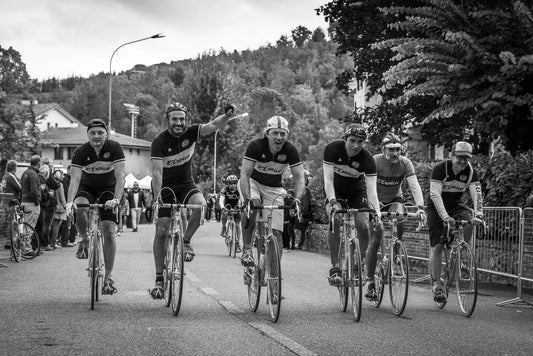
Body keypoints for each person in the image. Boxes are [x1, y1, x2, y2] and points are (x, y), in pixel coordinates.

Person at [149, 101, 235, 299]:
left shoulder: (192, 132)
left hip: (186, 184)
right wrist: (158, 197)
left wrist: (227, 116)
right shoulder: (159, 141)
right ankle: (159, 279)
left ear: (185, 120)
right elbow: (156, 173)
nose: (178, 123)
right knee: (162, 229)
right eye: (174, 119)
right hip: (166, 188)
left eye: (181, 119)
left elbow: (213, 125)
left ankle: (186, 241)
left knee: (201, 206)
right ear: (168, 120)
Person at [239, 115, 305, 304]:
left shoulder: (290, 150)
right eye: (274, 133)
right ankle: (246, 248)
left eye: (282, 134)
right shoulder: (256, 146)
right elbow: (244, 175)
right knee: (251, 207)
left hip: (275, 189)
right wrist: (247, 199)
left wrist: (297, 199)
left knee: (275, 236)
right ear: (267, 134)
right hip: (253, 183)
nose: (279, 137)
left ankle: (274, 284)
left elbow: (300, 178)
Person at [66, 119, 125, 295]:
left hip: (108, 189)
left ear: (106, 134)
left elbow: (120, 175)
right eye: (93, 133)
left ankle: (108, 278)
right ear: (88, 135)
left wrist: (116, 199)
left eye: (100, 132)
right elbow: (75, 180)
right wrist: (70, 202)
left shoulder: (114, 148)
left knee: (108, 231)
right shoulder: (81, 152)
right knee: (80, 207)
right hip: (87, 188)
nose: (97, 136)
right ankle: (84, 239)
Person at [365, 133, 426, 301]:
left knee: (401, 215)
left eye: (398, 149)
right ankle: (370, 282)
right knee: (375, 239)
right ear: (384, 149)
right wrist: (373, 208)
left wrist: (420, 207)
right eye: (391, 150)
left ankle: (396, 249)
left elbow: (414, 185)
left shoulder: (405, 163)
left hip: (394, 198)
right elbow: (366, 185)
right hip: (374, 199)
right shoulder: (375, 161)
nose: (395, 153)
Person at [322, 123, 381, 287]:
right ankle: (335, 267)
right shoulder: (332, 149)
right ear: (345, 139)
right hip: (336, 190)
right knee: (335, 219)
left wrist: (377, 214)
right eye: (352, 141)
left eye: (360, 142)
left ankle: (358, 263)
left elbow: (372, 191)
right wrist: (332, 201)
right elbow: (328, 179)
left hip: (357, 191)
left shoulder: (368, 159)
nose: (356, 145)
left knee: (363, 224)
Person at [427, 141, 483, 304]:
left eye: (466, 158)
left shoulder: (472, 172)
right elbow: (435, 195)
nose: (463, 161)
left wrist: (479, 214)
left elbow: (477, 195)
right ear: (452, 156)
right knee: (437, 246)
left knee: (471, 218)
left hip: (455, 205)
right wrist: (445, 217)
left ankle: (463, 250)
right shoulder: (440, 169)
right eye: (459, 157)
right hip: (436, 207)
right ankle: (437, 285)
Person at [219, 174, 242, 253]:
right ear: (228, 184)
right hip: (227, 206)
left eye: (235, 183)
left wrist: (241, 206)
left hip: (236, 206)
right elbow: (221, 200)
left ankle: (238, 243)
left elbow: (241, 199)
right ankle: (224, 227)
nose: (233, 185)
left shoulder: (239, 189)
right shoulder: (224, 189)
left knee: (238, 225)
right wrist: (222, 207)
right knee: (224, 213)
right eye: (231, 183)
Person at [2, 160, 21, 249]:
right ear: (14, 167)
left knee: (8, 222)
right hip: (11, 202)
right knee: (12, 222)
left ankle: (8, 241)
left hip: (5, 201)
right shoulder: (11, 176)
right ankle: (9, 242)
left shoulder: (5, 176)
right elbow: (20, 187)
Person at [20, 155, 42, 230]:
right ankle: (27, 242)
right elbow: (34, 191)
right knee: (30, 228)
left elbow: (22, 188)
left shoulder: (25, 172)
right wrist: (37, 203)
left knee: (25, 227)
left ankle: (23, 241)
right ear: (39, 163)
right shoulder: (33, 174)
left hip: (24, 202)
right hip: (32, 204)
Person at [296, 170, 314, 249]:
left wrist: (303, 213)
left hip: (304, 213)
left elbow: (306, 203)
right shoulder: (302, 190)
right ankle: (299, 244)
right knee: (301, 230)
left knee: (302, 230)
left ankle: (300, 245)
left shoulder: (306, 190)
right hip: (301, 212)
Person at [50, 169, 67, 249]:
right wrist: (65, 206)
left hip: (53, 206)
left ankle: (51, 242)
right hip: (59, 207)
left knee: (53, 224)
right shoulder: (60, 184)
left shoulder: (51, 183)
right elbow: (62, 196)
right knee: (56, 225)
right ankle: (53, 242)